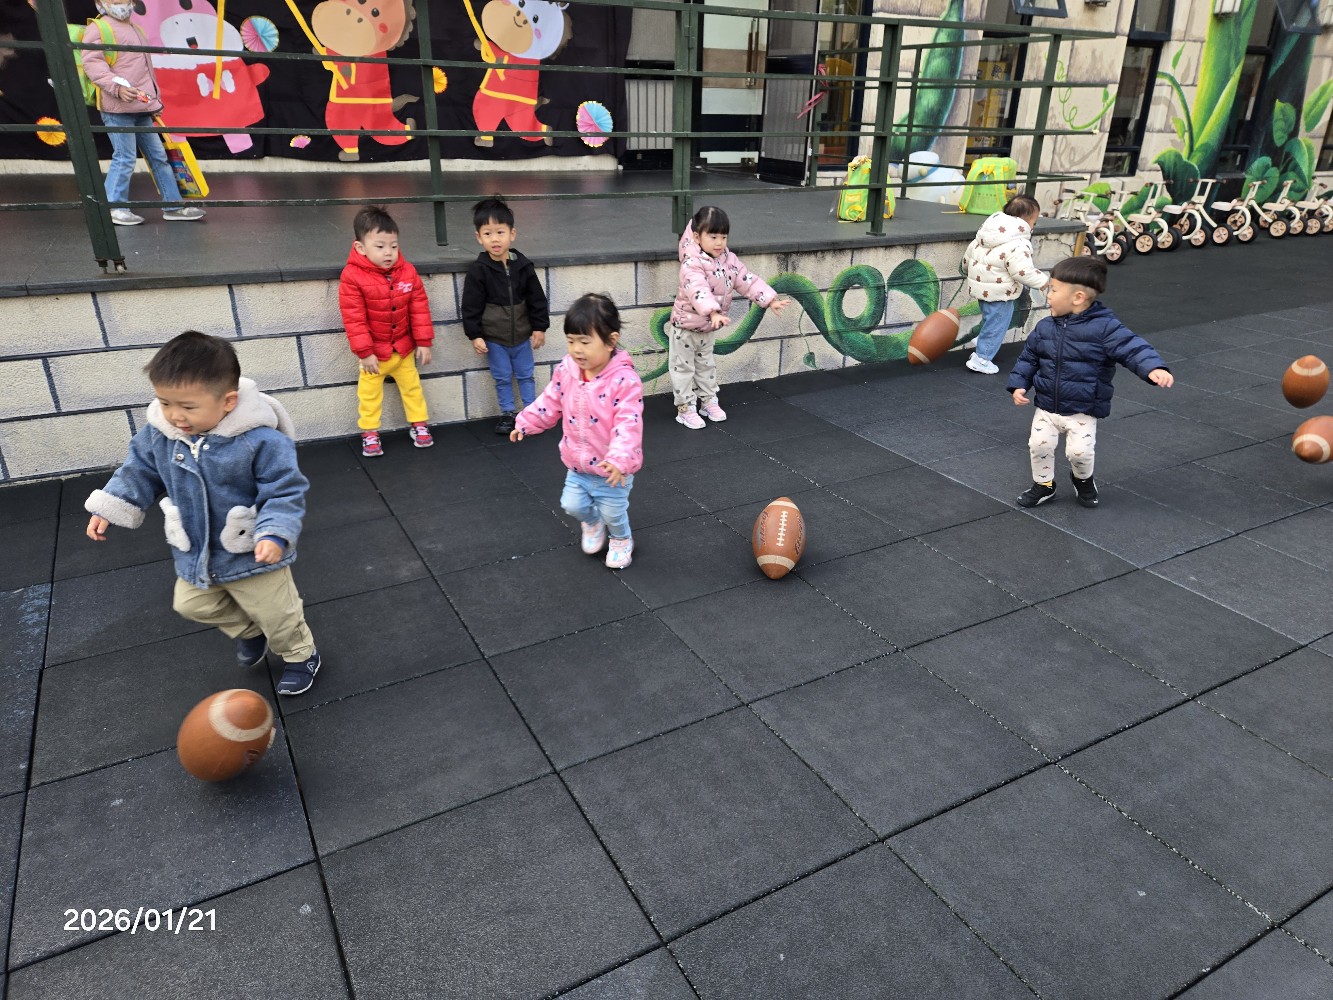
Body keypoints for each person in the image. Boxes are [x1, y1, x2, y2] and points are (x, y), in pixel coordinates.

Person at [84, 332, 321, 696]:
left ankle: (301, 655)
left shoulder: (260, 441)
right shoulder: (160, 435)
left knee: (278, 613)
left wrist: (275, 532)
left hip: (251, 548)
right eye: (165, 402)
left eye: (188, 407)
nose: (175, 416)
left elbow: (283, 489)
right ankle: (249, 632)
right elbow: (139, 471)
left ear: (228, 401)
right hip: (196, 548)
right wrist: (111, 505)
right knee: (191, 603)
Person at [1007, 256, 1173, 509]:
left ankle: (1082, 480)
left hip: (1082, 408)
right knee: (1039, 446)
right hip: (1047, 406)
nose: (1048, 295)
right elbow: (1029, 358)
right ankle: (1044, 485)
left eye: (1054, 290)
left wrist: (1153, 367)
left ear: (1077, 298)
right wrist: (1019, 384)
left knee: (1080, 453)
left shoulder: (1105, 328)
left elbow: (1132, 347)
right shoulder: (1044, 327)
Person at [509, 293, 643, 570]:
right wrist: (525, 421)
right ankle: (592, 523)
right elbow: (550, 400)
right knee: (571, 505)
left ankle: (621, 539)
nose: (577, 350)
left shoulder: (623, 380)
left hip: (611, 469)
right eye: (571, 341)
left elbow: (628, 423)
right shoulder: (566, 371)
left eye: (585, 342)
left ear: (611, 341)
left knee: (614, 512)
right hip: (577, 465)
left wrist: (619, 459)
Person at [79, 1, 206, 226]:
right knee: (125, 158)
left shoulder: (136, 29)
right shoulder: (98, 28)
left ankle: (173, 206)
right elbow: (93, 64)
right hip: (118, 109)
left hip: (142, 108)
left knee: (158, 157)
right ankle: (113, 207)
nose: (119, 4)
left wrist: (153, 102)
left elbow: (146, 71)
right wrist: (117, 88)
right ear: (100, 3)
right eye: (112, 0)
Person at [669, 205, 789, 429]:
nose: (719, 243)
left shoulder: (728, 260)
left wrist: (769, 299)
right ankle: (685, 408)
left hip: (707, 328)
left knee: (706, 366)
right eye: (713, 237)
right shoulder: (691, 262)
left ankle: (708, 401)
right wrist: (713, 312)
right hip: (685, 328)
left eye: (723, 237)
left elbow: (747, 280)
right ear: (697, 237)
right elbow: (697, 289)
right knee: (683, 369)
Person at [339, 205, 435, 457]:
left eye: (394, 246)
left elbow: (419, 308)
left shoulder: (407, 272)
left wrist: (424, 342)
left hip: (403, 349)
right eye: (380, 246)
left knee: (413, 388)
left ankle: (419, 424)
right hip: (374, 354)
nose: (389, 252)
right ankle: (369, 432)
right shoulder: (352, 276)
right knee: (369, 395)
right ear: (361, 247)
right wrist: (364, 352)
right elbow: (354, 318)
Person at [461, 196, 550, 435]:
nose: (494, 239)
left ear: (512, 234)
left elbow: (537, 299)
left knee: (526, 375)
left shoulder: (523, 266)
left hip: (522, 336)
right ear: (479, 238)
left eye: (500, 232)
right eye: (487, 234)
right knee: (501, 377)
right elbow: (470, 306)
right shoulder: (479, 271)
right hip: (494, 339)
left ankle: (531, 412)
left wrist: (539, 327)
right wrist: (475, 334)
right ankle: (508, 413)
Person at [963, 194, 1048, 374]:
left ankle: (984, 341)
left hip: (982, 289)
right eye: (1034, 222)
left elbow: (968, 257)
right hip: (1000, 293)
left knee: (991, 319)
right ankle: (982, 359)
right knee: (998, 324)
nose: (1033, 226)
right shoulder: (1018, 243)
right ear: (1025, 221)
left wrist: (964, 270)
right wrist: (1042, 281)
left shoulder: (986, 234)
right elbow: (1022, 271)